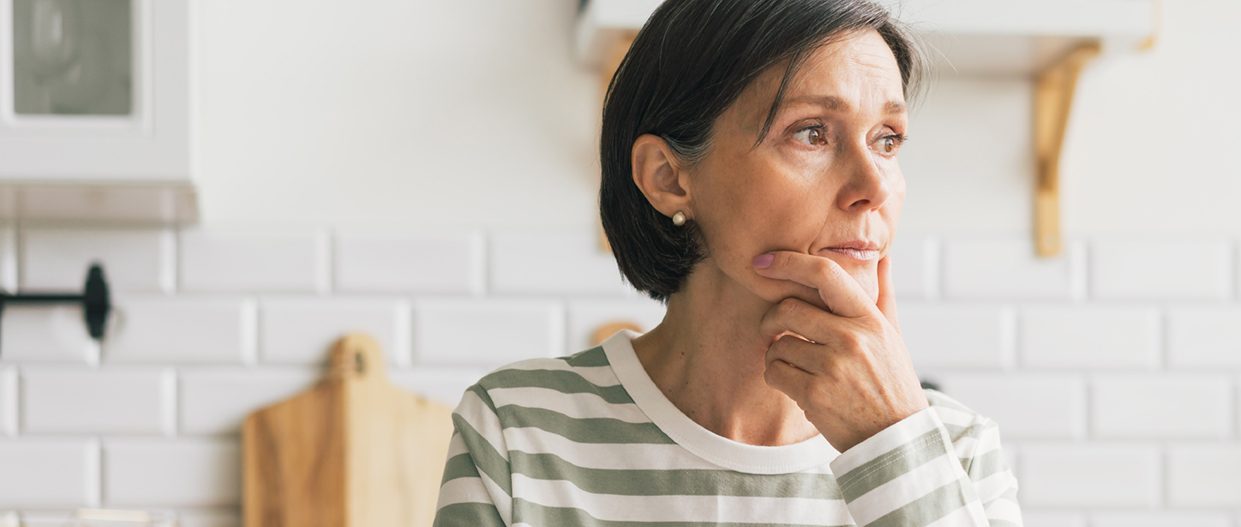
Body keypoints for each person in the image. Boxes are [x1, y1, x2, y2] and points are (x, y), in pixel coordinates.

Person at [431, 0, 1021, 525]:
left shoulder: (957, 451)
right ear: (668, 178)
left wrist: (893, 447)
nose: (874, 186)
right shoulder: (519, 434)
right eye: (812, 132)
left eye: (887, 139)